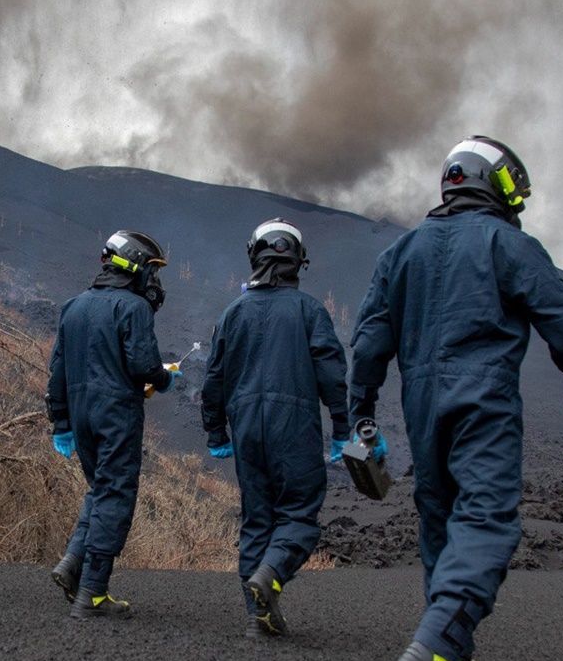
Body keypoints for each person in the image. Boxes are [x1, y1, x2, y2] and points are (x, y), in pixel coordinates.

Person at [349, 137, 563, 661]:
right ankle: (436, 646)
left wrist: (362, 415)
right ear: (493, 180)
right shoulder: (508, 244)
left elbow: (370, 344)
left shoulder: (401, 252)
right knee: (486, 517)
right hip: (483, 397)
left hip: (421, 404)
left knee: (440, 519)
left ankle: (451, 654)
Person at [201, 218, 350, 638]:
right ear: (298, 261)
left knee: (257, 518)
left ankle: (257, 618)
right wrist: (342, 427)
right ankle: (272, 576)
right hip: (294, 425)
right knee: (299, 512)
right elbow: (331, 374)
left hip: (246, 426)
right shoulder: (309, 311)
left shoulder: (233, 312)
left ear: (254, 255)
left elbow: (213, 378)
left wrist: (216, 433)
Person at [45, 230, 182, 619]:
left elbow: (57, 371)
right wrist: (164, 378)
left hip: (80, 413)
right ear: (135, 266)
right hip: (116, 413)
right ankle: (93, 592)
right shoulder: (133, 308)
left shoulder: (73, 306)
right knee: (116, 494)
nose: (153, 282)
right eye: (151, 271)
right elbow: (143, 365)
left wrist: (60, 422)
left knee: (100, 490)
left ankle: (72, 563)